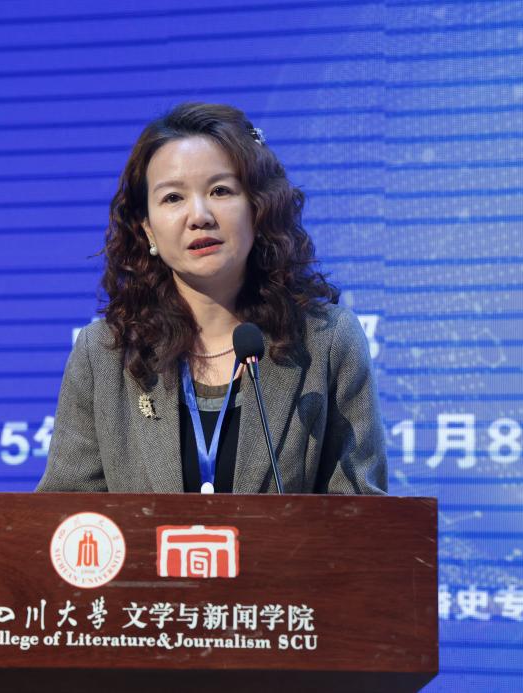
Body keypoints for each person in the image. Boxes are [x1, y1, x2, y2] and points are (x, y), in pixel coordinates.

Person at [37, 103, 386, 495]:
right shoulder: (105, 353)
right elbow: (67, 516)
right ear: (148, 229)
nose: (199, 215)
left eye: (220, 191)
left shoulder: (326, 341)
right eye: (173, 198)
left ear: (257, 208)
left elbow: (360, 513)